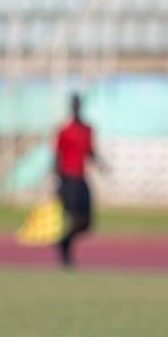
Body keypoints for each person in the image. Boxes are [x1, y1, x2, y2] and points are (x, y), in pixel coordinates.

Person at [53, 93, 103, 267]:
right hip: (68, 178)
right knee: (73, 217)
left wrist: (101, 165)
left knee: (86, 222)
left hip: (81, 178)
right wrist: (58, 182)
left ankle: (63, 242)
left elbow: (90, 152)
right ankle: (66, 254)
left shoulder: (87, 130)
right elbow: (57, 157)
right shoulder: (64, 130)